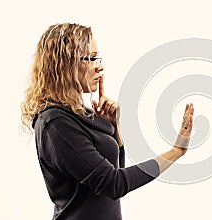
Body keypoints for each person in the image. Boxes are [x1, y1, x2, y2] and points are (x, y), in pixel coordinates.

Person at [21, 23, 194, 220]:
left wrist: (113, 129)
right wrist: (175, 151)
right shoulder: (56, 123)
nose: (100, 66)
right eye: (92, 58)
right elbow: (114, 184)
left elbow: (115, 171)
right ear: (65, 63)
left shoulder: (78, 115)